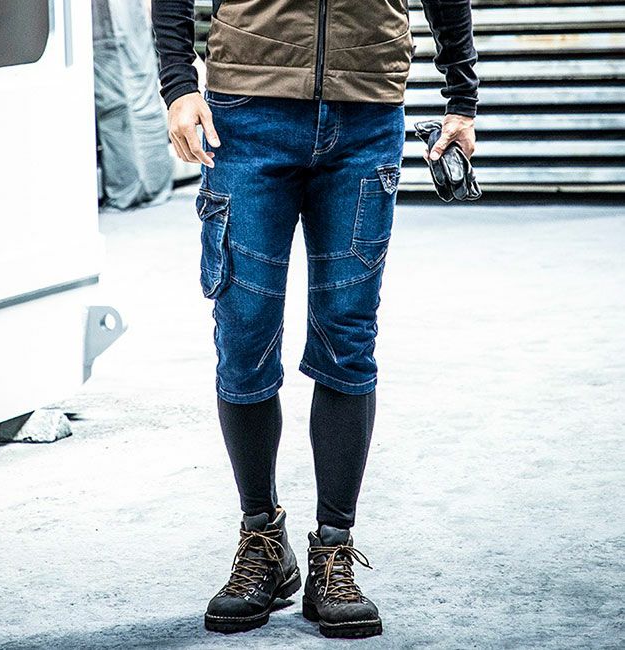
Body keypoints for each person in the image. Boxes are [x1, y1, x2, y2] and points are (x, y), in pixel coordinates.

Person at [152, 0, 478, 639]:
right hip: (247, 112)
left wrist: (461, 97)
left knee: (346, 335)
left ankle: (334, 548)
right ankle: (262, 539)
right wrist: (178, 85)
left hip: (366, 111)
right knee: (244, 332)